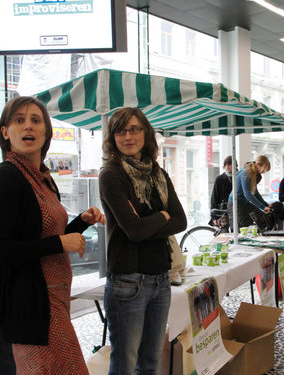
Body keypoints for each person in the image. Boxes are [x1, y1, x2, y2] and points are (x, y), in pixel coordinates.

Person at [0, 96, 105, 374]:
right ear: (5, 132)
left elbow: (47, 240)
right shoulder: (8, 178)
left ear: (46, 132)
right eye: (19, 120)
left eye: (36, 120)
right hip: (34, 309)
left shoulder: (42, 178)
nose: (28, 127)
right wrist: (59, 242)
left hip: (55, 302)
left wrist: (80, 223)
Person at [99, 107, 187, 374]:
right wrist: (162, 215)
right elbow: (133, 230)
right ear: (112, 137)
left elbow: (181, 221)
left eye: (134, 129)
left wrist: (151, 221)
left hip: (161, 278)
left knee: (150, 363)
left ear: (146, 133)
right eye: (120, 130)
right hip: (128, 281)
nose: (128, 136)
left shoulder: (157, 173)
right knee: (125, 365)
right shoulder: (111, 175)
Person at [227, 154, 271, 229]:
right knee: (241, 228)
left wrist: (266, 205)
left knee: (260, 218)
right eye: (263, 169)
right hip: (235, 204)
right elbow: (247, 194)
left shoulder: (252, 174)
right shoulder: (246, 173)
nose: (263, 172)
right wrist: (263, 207)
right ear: (258, 165)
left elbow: (255, 193)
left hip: (243, 203)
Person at [209, 155, 233, 225]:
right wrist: (214, 217)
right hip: (223, 210)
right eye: (225, 165)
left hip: (237, 210)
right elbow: (214, 197)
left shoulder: (238, 177)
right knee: (224, 233)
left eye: (229, 165)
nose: (227, 167)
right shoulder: (220, 179)